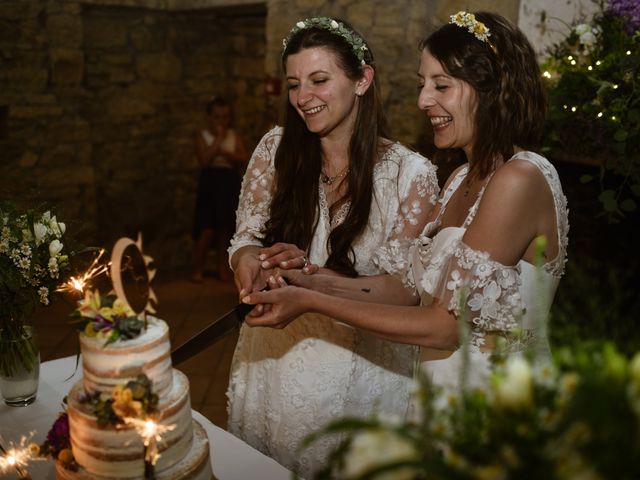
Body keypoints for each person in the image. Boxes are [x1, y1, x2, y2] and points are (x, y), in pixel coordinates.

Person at [242, 11, 569, 398]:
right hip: (437, 395)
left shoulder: (521, 179)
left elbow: (445, 326)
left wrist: (311, 301)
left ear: (492, 89)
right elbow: (405, 291)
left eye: (441, 86)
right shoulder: (460, 179)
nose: (423, 100)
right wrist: (307, 277)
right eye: (422, 84)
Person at [226, 17, 439, 477]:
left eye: (320, 80)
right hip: (273, 356)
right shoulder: (275, 149)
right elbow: (246, 237)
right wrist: (249, 263)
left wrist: (310, 284)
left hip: (361, 372)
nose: (304, 97)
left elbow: (404, 291)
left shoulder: (410, 174)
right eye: (295, 84)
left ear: (362, 79)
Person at [192, 96, 248, 283]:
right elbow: (204, 160)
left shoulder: (234, 135)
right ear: (209, 117)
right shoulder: (203, 136)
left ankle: (222, 268)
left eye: (225, 117)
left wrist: (225, 152)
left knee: (225, 228)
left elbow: (243, 158)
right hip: (211, 183)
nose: (221, 121)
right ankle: (197, 269)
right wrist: (218, 140)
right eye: (217, 117)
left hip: (228, 181)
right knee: (207, 229)